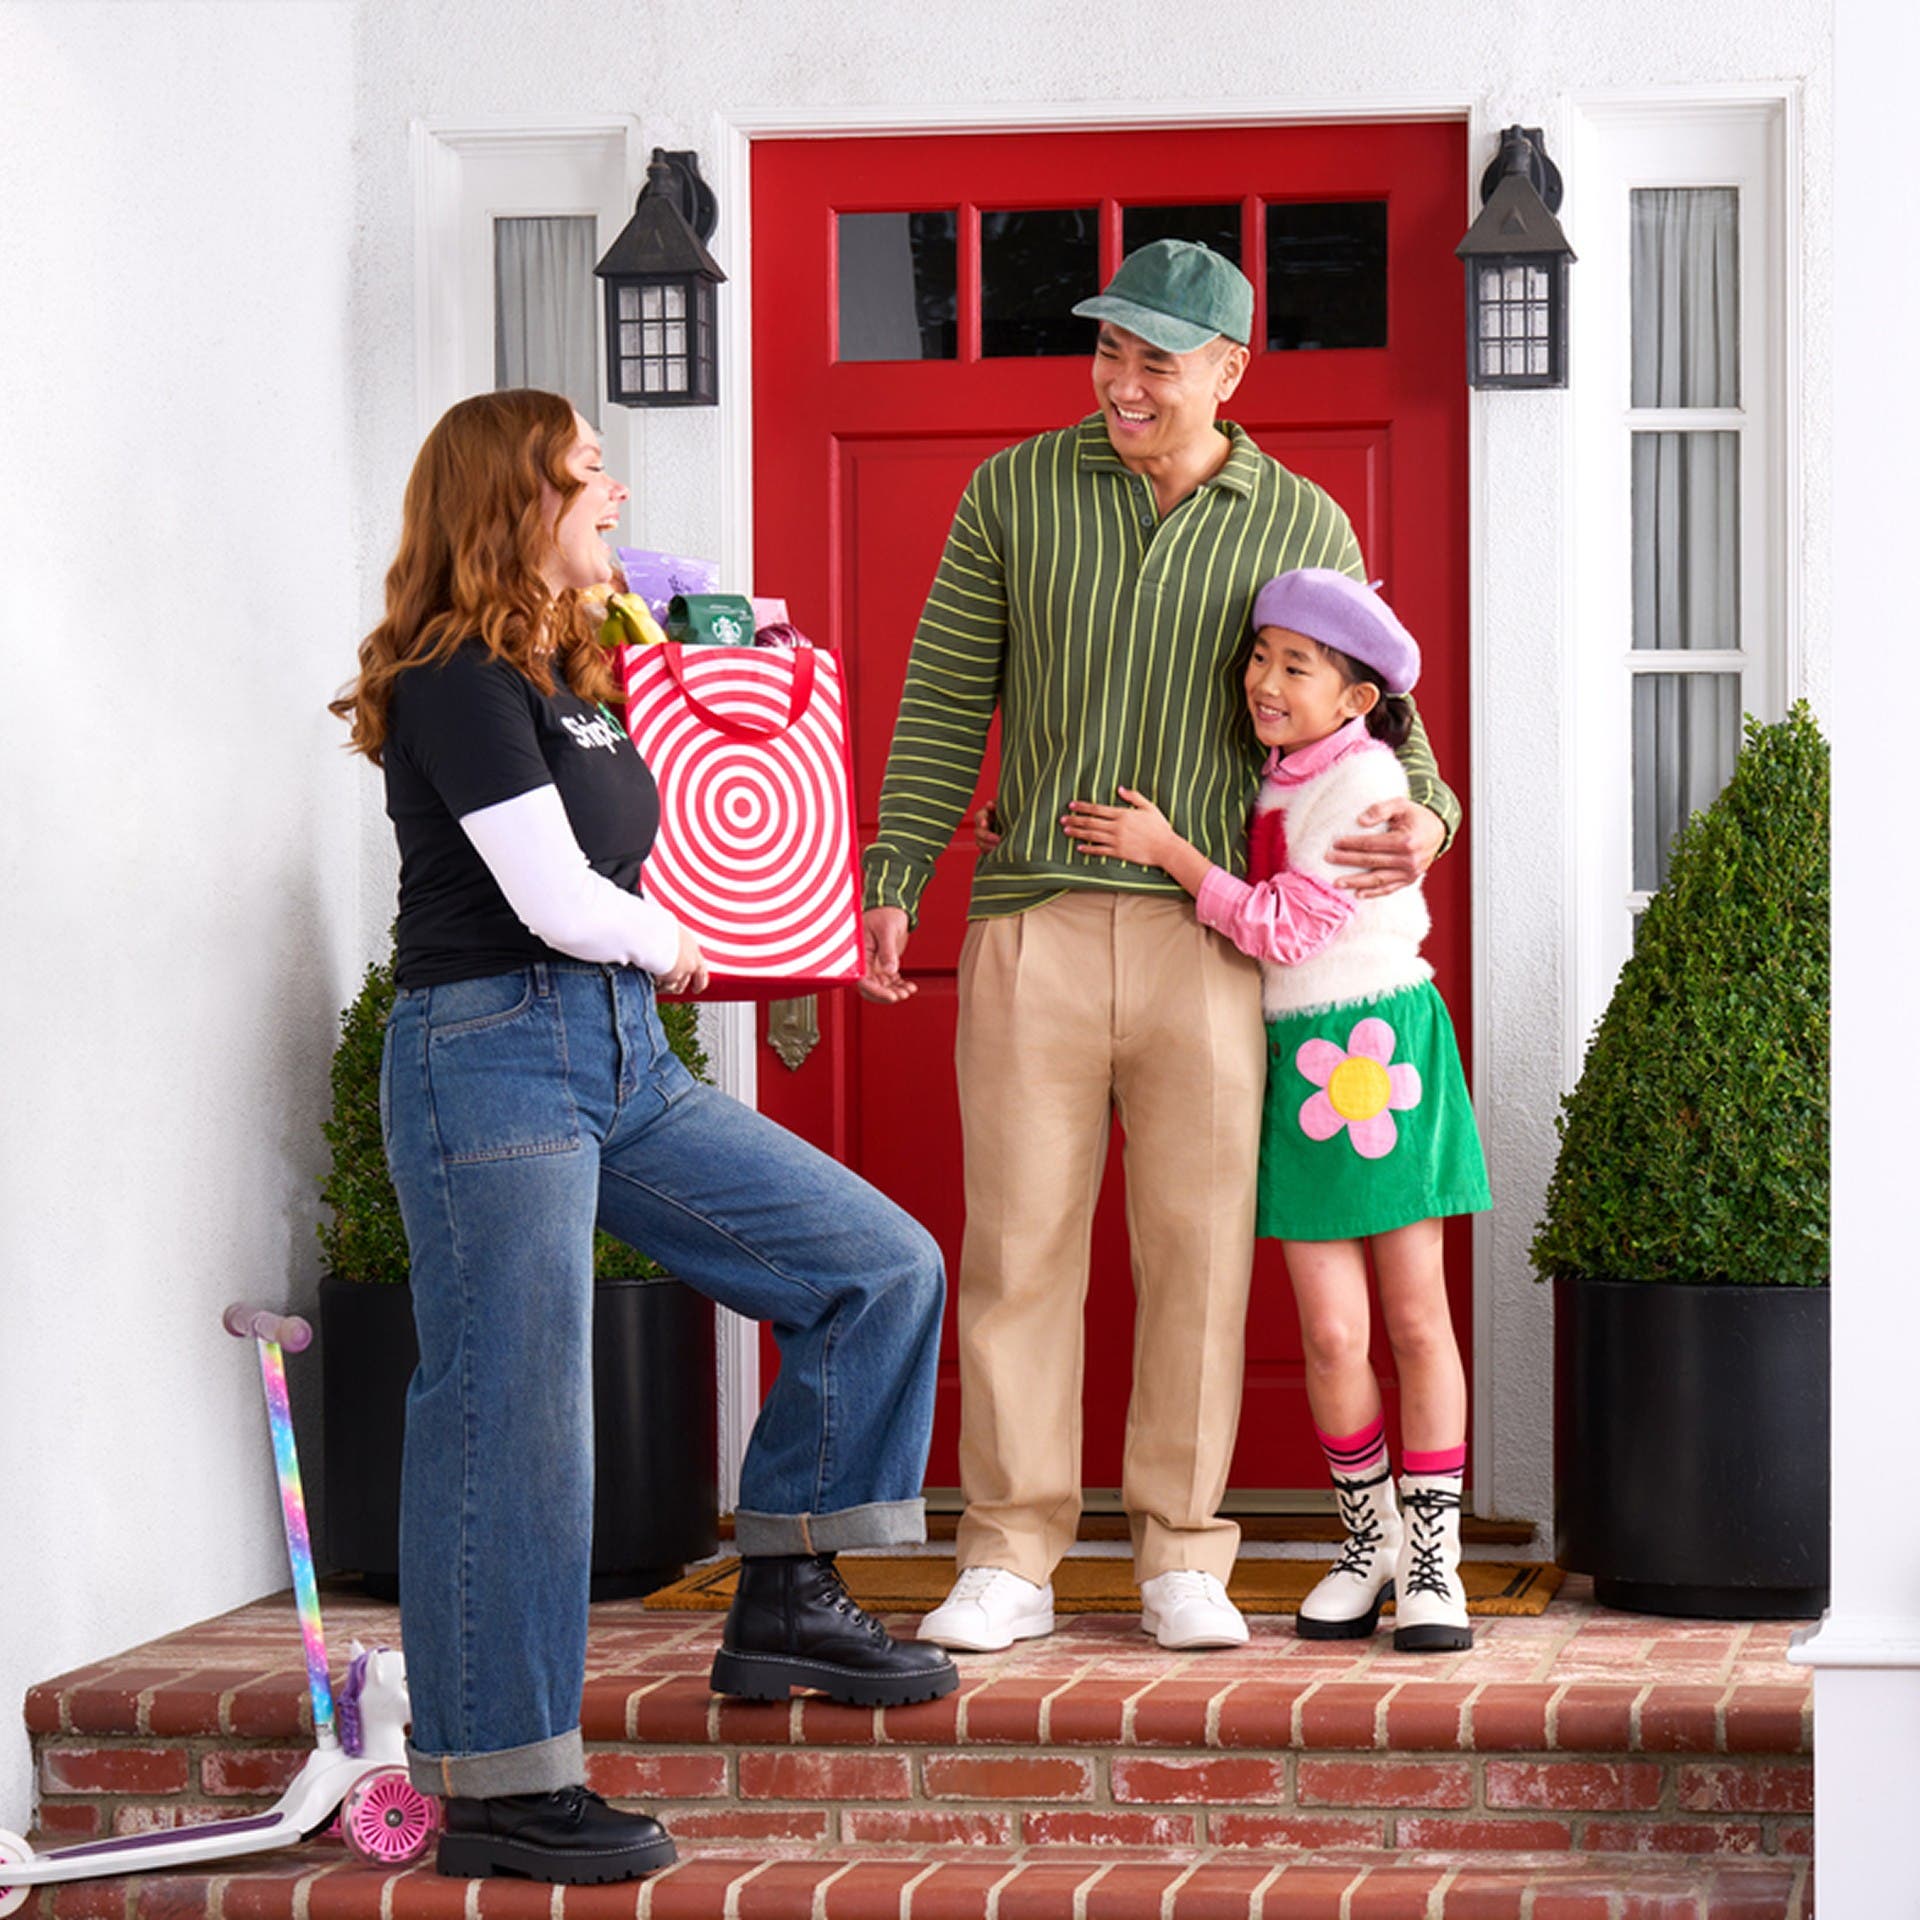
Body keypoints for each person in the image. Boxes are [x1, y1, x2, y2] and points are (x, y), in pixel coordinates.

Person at [331, 389, 956, 1886]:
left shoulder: (577, 670)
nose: (615, 492)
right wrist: (679, 942)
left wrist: (804, 922)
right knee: (512, 1411)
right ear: (514, 498)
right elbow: (553, 895)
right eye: (587, 472)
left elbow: (715, 819)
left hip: (616, 1051)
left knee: (876, 1266)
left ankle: (789, 1587)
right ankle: (502, 1785)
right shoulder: (454, 678)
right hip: (493, 1055)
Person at [860, 240, 1459, 1655]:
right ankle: (1009, 1556)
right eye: (1108, 352)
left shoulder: (1301, 517)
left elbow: (1379, 711)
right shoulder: (1009, 491)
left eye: (1157, 360)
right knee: (1017, 1248)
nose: (1123, 383)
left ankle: (1184, 1551)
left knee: (1197, 1257)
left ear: (1230, 371)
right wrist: (896, 870)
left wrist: (1427, 814)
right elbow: (947, 695)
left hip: (1217, 947)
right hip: (1033, 925)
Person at [1061, 568, 1490, 1651]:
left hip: (1382, 1047)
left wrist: (1167, 854)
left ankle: (1435, 1559)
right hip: (1302, 1062)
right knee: (1332, 1332)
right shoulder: (1280, 772)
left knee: (1411, 1316)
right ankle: (1371, 1539)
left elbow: (1287, 932)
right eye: (1263, 655)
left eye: (1297, 666)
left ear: (1354, 697)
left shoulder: (1362, 782)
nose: (1265, 679)